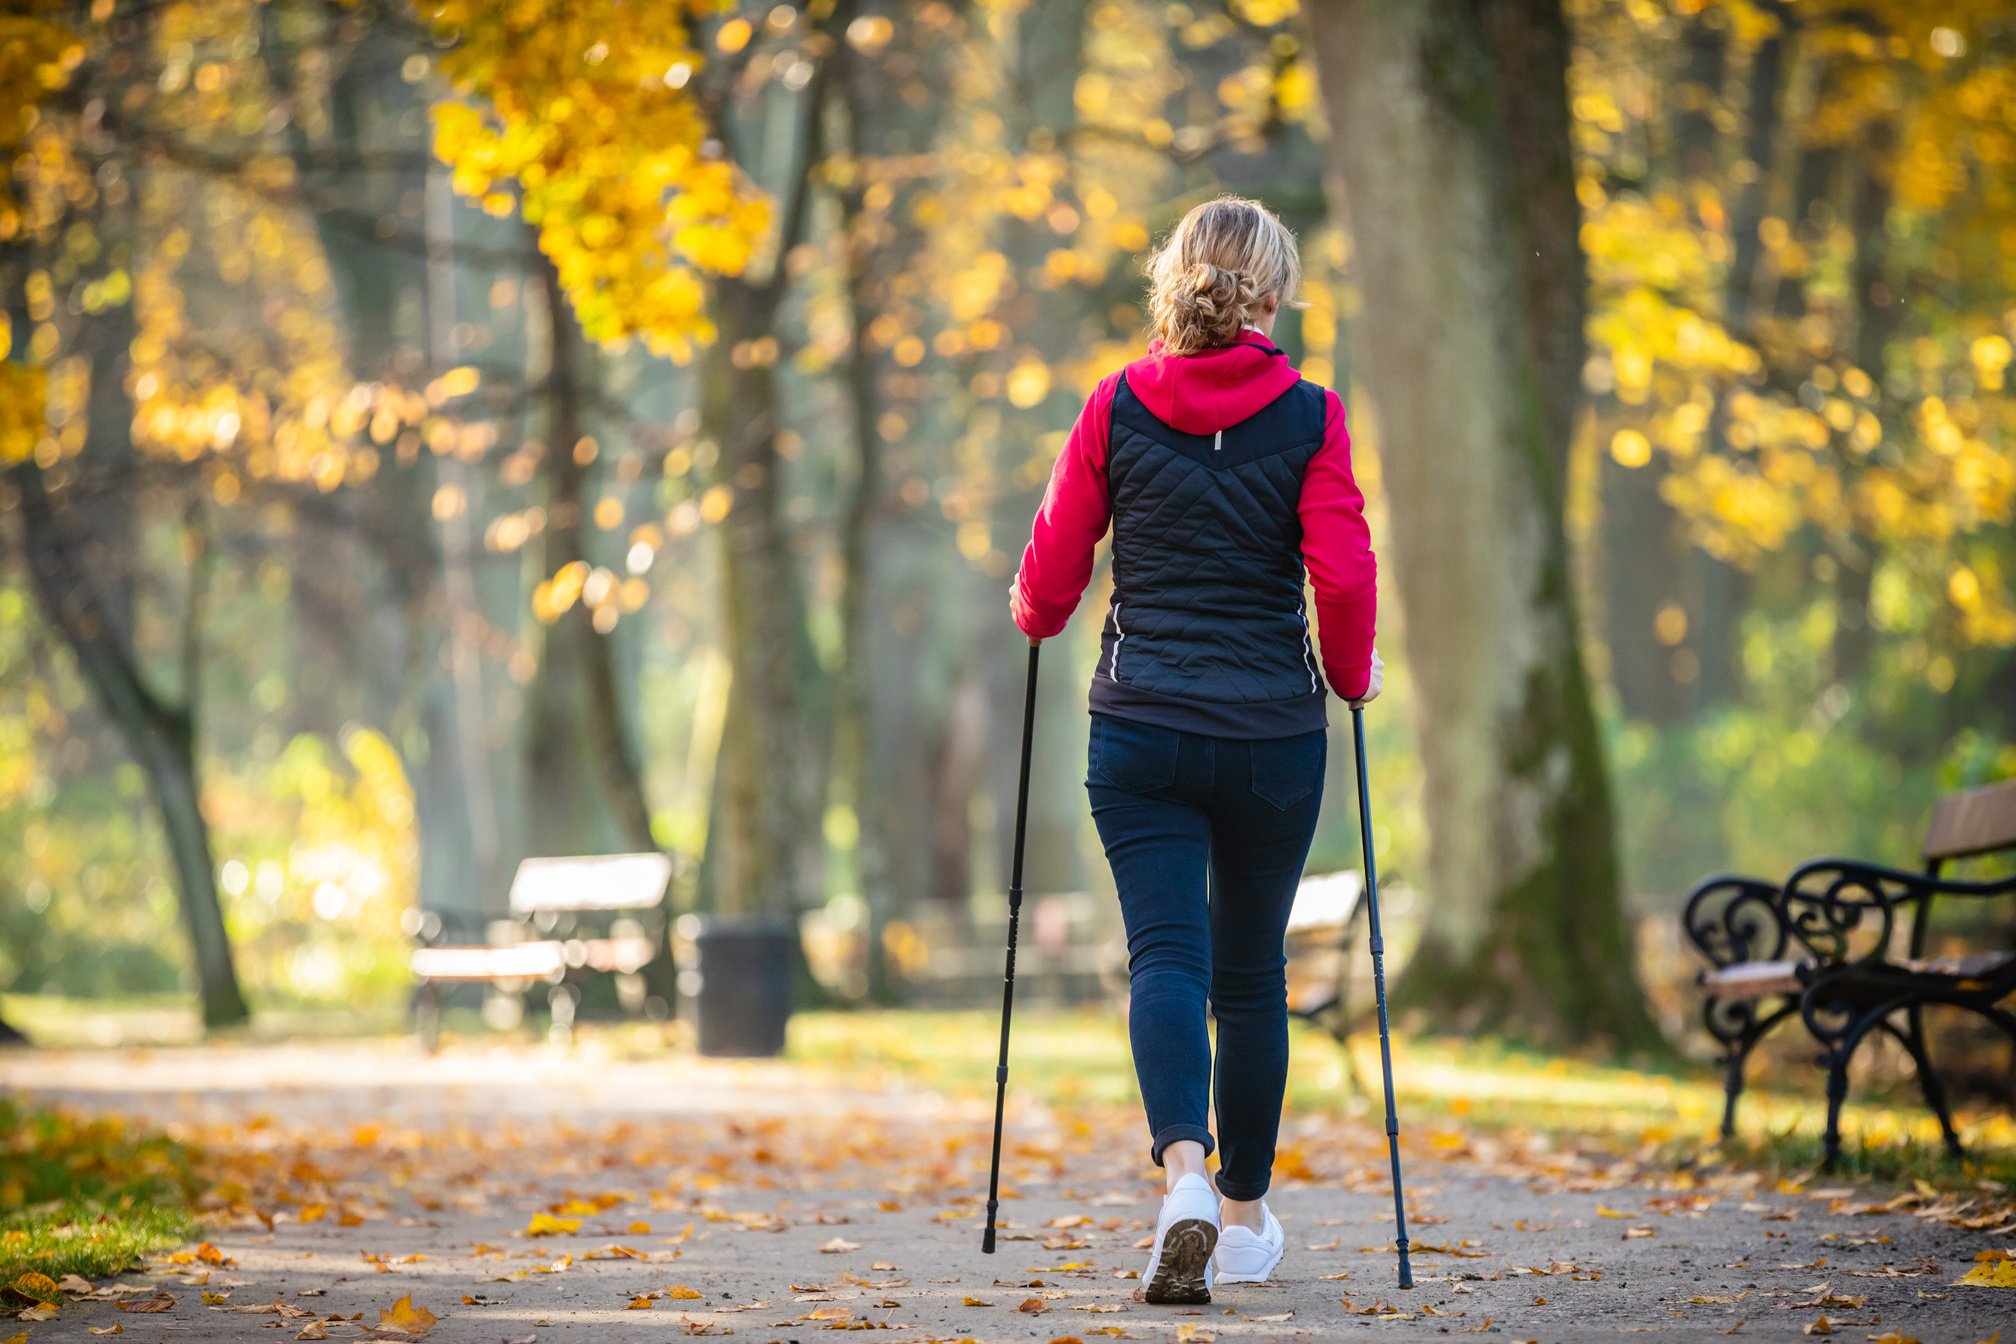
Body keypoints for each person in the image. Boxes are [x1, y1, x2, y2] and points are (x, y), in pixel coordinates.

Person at [1009, 195, 1381, 1304]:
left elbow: (1052, 571)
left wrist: (1034, 612)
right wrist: (1351, 676)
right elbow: (1346, 576)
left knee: (1164, 956)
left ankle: (1183, 1173)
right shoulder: (1312, 414)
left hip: (1141, 731)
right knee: (1252, 975)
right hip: (1271, 735)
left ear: (1174, 283)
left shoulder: (1115, 404)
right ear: (1274, 295)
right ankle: (1247, 1213)